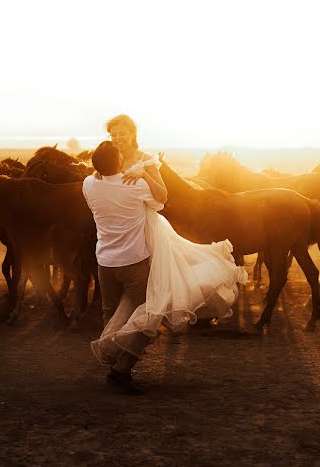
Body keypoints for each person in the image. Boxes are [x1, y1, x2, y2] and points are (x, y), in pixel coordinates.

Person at [84, 115, 248, 394]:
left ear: (132, 134)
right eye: (113, 134)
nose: (118, 138)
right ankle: (118, 360)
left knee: (148, 304)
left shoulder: (140, 161)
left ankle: (118, 359)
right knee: (126, 309)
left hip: (146, 236)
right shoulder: (104, 168)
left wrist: (142, 172)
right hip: (126, 237)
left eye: (122, 133)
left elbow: (163, 197)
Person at [82, 140, 164, 393]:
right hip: (134, 263)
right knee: (149, 317)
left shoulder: (88, 184)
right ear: (119, 163)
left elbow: (97, 175)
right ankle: (121, 369)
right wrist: (146, 175)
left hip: (105, 262)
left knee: (112, 313)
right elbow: (163, 198)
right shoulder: (136, 184)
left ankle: (112, 361)